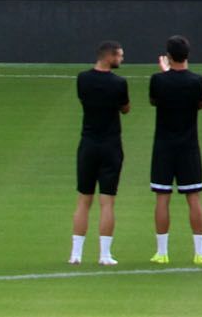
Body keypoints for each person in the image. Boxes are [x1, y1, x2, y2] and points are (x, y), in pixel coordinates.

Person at [148, 34, 202, 266]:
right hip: (189, 147)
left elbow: (155, 100)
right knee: (193, 198)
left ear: (168, 56)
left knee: (162, 198)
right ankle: (200, 252)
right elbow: (200, 104)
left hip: (163, 146)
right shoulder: (197, 81)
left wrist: (165, 73)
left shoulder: (158, 80)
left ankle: (162, 252)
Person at [71, 39, 129, 266]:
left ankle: (76, 253)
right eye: (120, 56)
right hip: (111, 145)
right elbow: (125, 108)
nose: (121, 59)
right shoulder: (119, 83)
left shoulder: (82, 79)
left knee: (84, 199)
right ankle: (104, 254)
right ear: (110, 56)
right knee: (107, 201)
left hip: (88, 144)